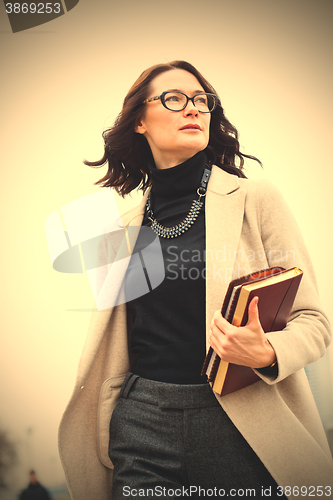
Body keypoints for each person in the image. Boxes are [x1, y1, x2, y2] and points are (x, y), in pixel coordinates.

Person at [58, 61, 333, 500]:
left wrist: (267, 351)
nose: (193, 109)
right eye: (174, 99)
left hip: (242, 422)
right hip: (142, 425)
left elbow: (314, 320)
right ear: (141, 121)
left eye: (201, 101)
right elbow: (117, 345)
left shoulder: (255, 199)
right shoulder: (119, 230)